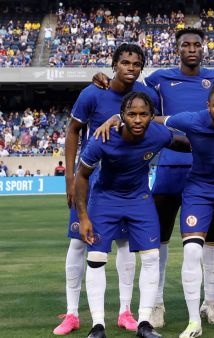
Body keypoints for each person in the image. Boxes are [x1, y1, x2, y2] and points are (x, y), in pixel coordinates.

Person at [92, 29, 214, 328]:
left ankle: (210, 303)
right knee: (159, 237)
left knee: (210, 239)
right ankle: (155, 303)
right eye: (186, 44)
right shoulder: (159, 78)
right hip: (172, 166)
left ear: (203, 49)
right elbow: (131, 95)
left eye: (197, 44)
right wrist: (105, 84)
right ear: (178, 48)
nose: (192, 49)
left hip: (211, 171)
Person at [54, 43, 159, 335]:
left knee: (125, 247)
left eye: (136, 64)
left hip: (127, 184)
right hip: (91, 182)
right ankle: (73, 313)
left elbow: (156, 127)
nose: (130, 68)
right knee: (79, 244)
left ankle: (126, 312)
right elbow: (73, 130)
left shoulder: (146, 96)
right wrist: (69, 179)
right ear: (114, 64)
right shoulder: (94, 92)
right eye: (125, 62)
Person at [75, 91, 189, 338]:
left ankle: (145, 323)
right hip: (105, 200)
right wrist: (83, 217)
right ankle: (97, 326)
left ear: (151, 116)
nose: (138, 120)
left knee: (150, 258)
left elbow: (185, 143)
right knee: (96, 259)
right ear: (122, 116)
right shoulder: (103, 138)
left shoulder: (158, 134)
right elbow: (82, 176)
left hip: (139, 199)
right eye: (132, 114)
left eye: (143, 114)